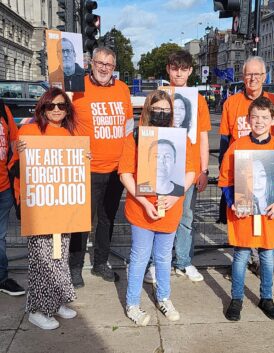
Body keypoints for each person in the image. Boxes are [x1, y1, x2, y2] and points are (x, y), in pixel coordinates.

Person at [119, 90, 195, 326]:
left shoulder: (183, 138)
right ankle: (132, 304)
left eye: (166, 110)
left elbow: (191, 171)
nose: (161, 114)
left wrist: (174, 197)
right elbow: (125, 174)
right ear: (148, 110)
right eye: (157, 109)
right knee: (140, 257)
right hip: (142, 209)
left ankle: (164, 297)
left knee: (163, 257)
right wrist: (143, 201)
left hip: (169, 208)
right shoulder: (135, 136)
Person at [218, 96, 274, 321]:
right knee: (241, 255)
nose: (259, 121)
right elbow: (226, 179)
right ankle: (236, 298)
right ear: (248, 119)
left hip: (269, 213)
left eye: (264, 117)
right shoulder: (237, 146)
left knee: (267, 256)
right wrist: (233, 201)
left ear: (273, 120)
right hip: (244, 213)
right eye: (255, 117)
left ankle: (266, 297)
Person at [69, 47, 133, 288]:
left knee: (107, 219)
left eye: (109, 64)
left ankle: (100, 262)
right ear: (91, 64)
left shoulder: (123, 89)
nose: (104, 67)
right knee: (82, 221)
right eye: (100, 63)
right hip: (87, 168)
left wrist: (128, 163)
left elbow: (128, 128)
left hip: (116, 170)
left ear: (114, 67)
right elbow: (60, 118)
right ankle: (74, 267)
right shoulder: (76, 88)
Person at [144, 50, 211, 284]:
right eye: (175, 68)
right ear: (168, 70)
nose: (179, 73)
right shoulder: (158, 96)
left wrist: (204, 170)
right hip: (162, 163)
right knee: (158, 214)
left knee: (186, 216)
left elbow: (203, 137)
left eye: (184, 69)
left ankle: (183, 261)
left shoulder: (199, 100)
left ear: (191, 71)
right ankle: (154, 263)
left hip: (189, 168)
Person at [17, 87, 78, 330]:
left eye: (61, 106)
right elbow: (17, 165)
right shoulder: (29, 131)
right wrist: (18, 151)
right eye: (50, 105)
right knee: (42, 261)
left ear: (67, 109)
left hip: (62, 207)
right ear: (41, 108)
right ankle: (36, 309)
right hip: (38, 208)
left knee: (59, 257)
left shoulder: (70, 135)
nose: (55, 110)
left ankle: (55, 301)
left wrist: (85, 157)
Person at [0, 100, 25, 296]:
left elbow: (15, 141)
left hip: (4, 188)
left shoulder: (3, 109)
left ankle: (1, 278)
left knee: (1, 237)